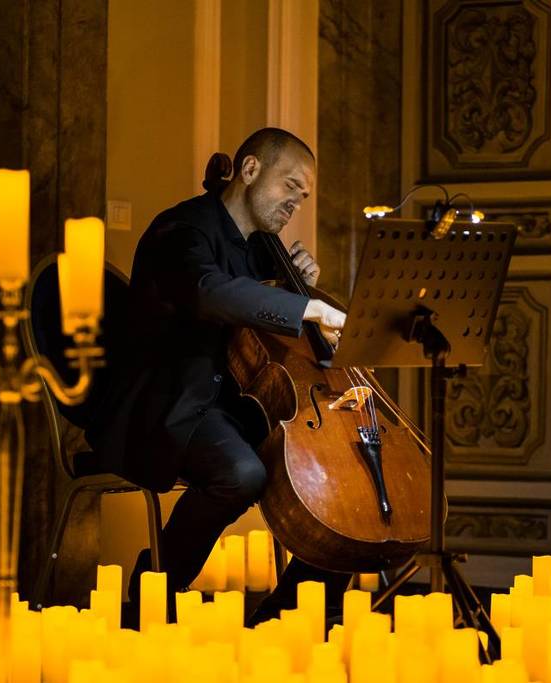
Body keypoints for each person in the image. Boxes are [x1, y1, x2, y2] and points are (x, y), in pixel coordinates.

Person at [86, 127, 352, 624]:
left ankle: (295, 606)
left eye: (304, 195)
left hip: (228, 406)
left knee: (336, 474)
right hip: (168, 404)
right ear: (249, 170)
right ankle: (154, 587)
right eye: (290, 185)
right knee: (242, 473)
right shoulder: (180, 231)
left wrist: (297, 285)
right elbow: (209, 291)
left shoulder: (258, 250)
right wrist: (304, 304)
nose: (298, 202)